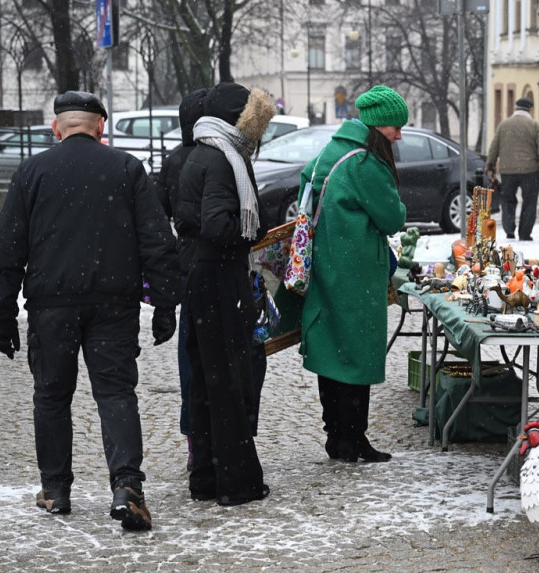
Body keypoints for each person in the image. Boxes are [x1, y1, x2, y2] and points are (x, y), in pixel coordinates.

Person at [0, 90, 178, 531]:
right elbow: (157, 242)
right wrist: (166, 303)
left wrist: (1, 313)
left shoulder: (32, 171)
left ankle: (55, 490)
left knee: (51, 397)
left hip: (51, 304)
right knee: (115, 394)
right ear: (101, 128)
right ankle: (127, 487)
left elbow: (7, 248)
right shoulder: (126, 169)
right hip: (114, 303)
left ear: (57, 128)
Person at [175, 81, 279, 506]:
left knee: (205, 380)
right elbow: (217, 225)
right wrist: (250, 228)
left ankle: (205, 477)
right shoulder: (222, 159)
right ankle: (236, 483)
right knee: (227, 380)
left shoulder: (202, 153)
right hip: (220, 280)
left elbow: (188, 220)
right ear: (239, 120)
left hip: (203, 278)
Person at [299, 85, 409, 462]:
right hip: (357, 271)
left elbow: (305, 182)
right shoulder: (365, 163)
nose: (399, 135)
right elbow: (393, 218)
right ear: (379, 126)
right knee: (358, 353)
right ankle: (353, 439)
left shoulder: (332, 151)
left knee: (333, 353)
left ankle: (337, 436)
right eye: (396, 127)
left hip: (326, 264)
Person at [156, 87, 207, 465]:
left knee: (191, 358)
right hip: (213, 267)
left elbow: (157, 215)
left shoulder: (174, 160)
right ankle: (220, 437)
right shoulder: (218, 157)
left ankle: (195, 441)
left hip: (188, 268)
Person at [486, 97, 539, 241]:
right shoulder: (534, 125)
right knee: (529, 202)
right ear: (530, 109)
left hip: (507, 170)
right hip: (530, 171)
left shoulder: (504, 125)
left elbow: (494, 147)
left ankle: (509, 229)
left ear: (515, 108)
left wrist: (490, 165)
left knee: (507, 200)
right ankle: (525, 233)